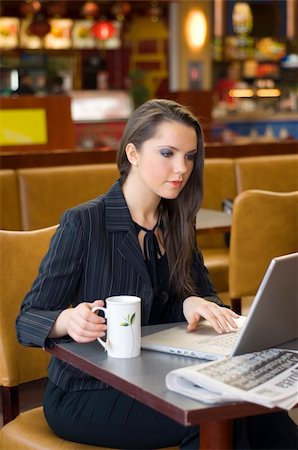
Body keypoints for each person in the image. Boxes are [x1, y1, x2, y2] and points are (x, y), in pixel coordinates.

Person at [16, 99, 297, 449]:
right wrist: (68, 320)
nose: (181, 168)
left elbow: (209, 299)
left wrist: (194, 301)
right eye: (167, 153)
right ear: (132, 153)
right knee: (220, 418)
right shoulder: (85, 223)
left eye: (190, 156)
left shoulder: (177, 221)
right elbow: (27, 319)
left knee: (263, 409)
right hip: (86, 392)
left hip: (163, 381)